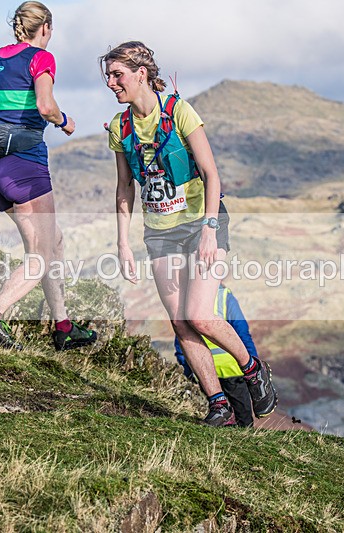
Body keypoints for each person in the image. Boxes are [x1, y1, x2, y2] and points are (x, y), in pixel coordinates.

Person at [101, 41, 276, 426]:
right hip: (160, 233)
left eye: (117, 75)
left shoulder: (179, 112)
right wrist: (122, 244)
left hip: (202, 224)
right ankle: (218, 404)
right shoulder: (119, 127)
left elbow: (212, 174)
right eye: (108, 76)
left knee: (200, 315)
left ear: (141, 74)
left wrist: (210, 230)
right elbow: (124, 187)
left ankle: (253, 371)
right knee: (180, 322)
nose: (111, 83)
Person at [0, 1, 96, 351]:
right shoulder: (41, 58)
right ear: (45, 28)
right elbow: (45, 106)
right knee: (40, 256)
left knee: (53, 242)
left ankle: (63, 326)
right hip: (26, 169)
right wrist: (64, 121)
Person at [174, 284, 260, 427]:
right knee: (243, 418)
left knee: (217, 416)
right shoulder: (224, 297)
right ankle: (245, 438)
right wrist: (254, 368)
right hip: (232, 370)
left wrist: (189, 372)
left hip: (205, 373)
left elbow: (182, 341)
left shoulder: (187, 297)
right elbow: (243, 333)